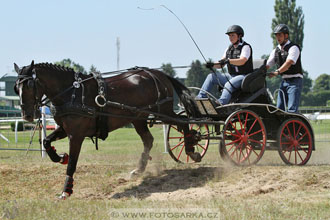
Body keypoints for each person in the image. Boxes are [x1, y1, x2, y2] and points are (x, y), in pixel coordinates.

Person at [197, 25, 253, 105]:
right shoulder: (229, 49)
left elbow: (242, 61)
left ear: (239, 36)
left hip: (243, 77)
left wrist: (228, 61)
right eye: (229, 36)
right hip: (231, 76)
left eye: (233, 35)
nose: (230, 38)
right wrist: (212, 65)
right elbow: (221, 64)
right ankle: (200, 98)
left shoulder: (246, 47)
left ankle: (221, 103)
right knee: (211, 76)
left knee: (228, 84)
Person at [267, 24, 303, 113]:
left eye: (280, 35)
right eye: (276, 35)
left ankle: (293, 125)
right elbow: (268, 64)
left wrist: (277, 72)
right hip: (284, 81)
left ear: (286, 35)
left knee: (292, 109)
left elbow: (289, 63)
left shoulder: (293, 47)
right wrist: (258, 71)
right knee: (279, 109)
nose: (277, 37)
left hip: (295, 81)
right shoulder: (276, 50)